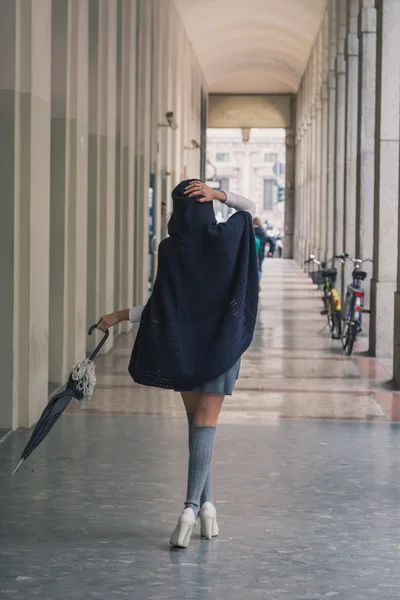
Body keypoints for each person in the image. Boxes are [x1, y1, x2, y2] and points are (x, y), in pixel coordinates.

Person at [97, 180, 258, 548]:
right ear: (205, 205)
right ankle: (190, 508)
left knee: (197, 430)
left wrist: (119, 316)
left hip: (186, 352)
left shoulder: (170, 249)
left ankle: (207, 508)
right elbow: (248, 211)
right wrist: (221, 195)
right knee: (205, 429)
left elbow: (162, 307)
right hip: (221, 351)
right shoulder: (228, 239)